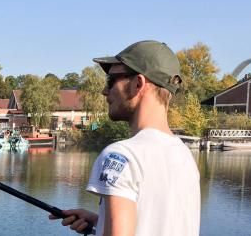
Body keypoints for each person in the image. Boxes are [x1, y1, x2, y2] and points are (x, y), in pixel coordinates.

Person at [49, 40, 200, 235]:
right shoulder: (184, 156)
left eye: (111, 81)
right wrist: (100, 221)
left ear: (138, 83)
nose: (105, 91)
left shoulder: (120, 156)